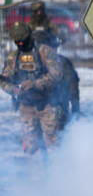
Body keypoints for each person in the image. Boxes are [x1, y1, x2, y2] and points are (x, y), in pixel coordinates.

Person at [0, 22, 64, 155]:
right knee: (30, 148)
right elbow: (4, 81)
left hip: (48, 104)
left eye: (23, 41)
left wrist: (35, 84)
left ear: (29, 37)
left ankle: (56, 172)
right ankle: (35, 174)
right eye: (18, 43)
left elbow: (57, 75)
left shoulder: (45, 52)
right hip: (26, 107)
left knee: (54, 146)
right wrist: (14, 89)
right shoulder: (13, 58)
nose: (21, 45)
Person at [32, 29, 80, 123]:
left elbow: (72, 85)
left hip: (55, 110)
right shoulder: (29, 62)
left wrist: (75, 108)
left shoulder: (63, 63)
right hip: (38, 110)